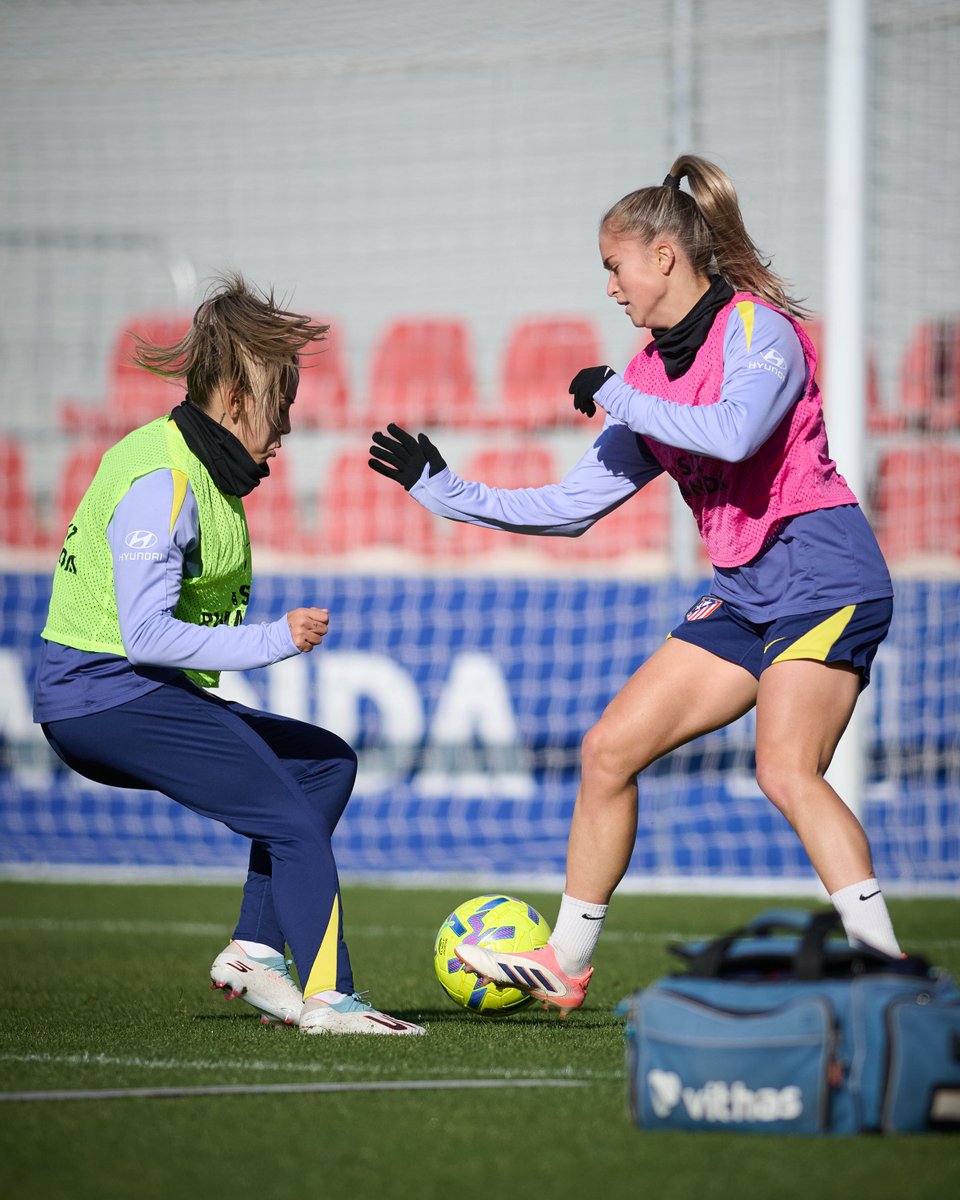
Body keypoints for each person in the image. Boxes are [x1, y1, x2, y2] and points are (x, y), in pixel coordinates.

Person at [369, 154, 902, 1016]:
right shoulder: (647, 378)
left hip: (824, 572)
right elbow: (574, 507)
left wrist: (619, 393)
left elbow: (732, 433)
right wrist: (446, 491)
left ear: (663, 256)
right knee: (608, 751)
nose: (611, 289)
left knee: (785, 768)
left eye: (614, 267)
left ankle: (888, 969)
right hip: (744, 588)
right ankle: (563, 969)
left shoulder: (755, 332)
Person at [35, 272, 424, 1036]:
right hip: (104, 696)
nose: (286, 428)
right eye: (280, 407)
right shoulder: (166, 478)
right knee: (293, 825)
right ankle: (331, 1001)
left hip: (130, 690)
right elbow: (144, 637)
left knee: (324, 764)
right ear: (238, 401)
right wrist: (274, 639)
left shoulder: (203, 469)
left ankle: (253, 951)